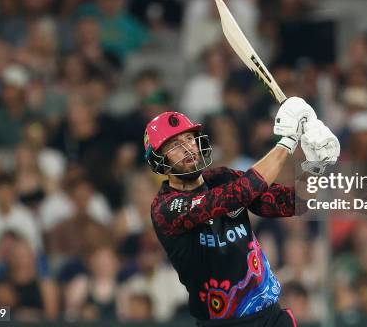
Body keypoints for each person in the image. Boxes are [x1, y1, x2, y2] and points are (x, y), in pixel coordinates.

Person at [145, 97, 339, 326]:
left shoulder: (222, 178)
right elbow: (241, 192)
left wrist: (316, 166)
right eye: (174, 146)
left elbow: (293, 202)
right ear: (160, 160)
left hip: (271, 316)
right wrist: (287, 141)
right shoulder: (165, 207)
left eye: (189, 138)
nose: (187, 148)